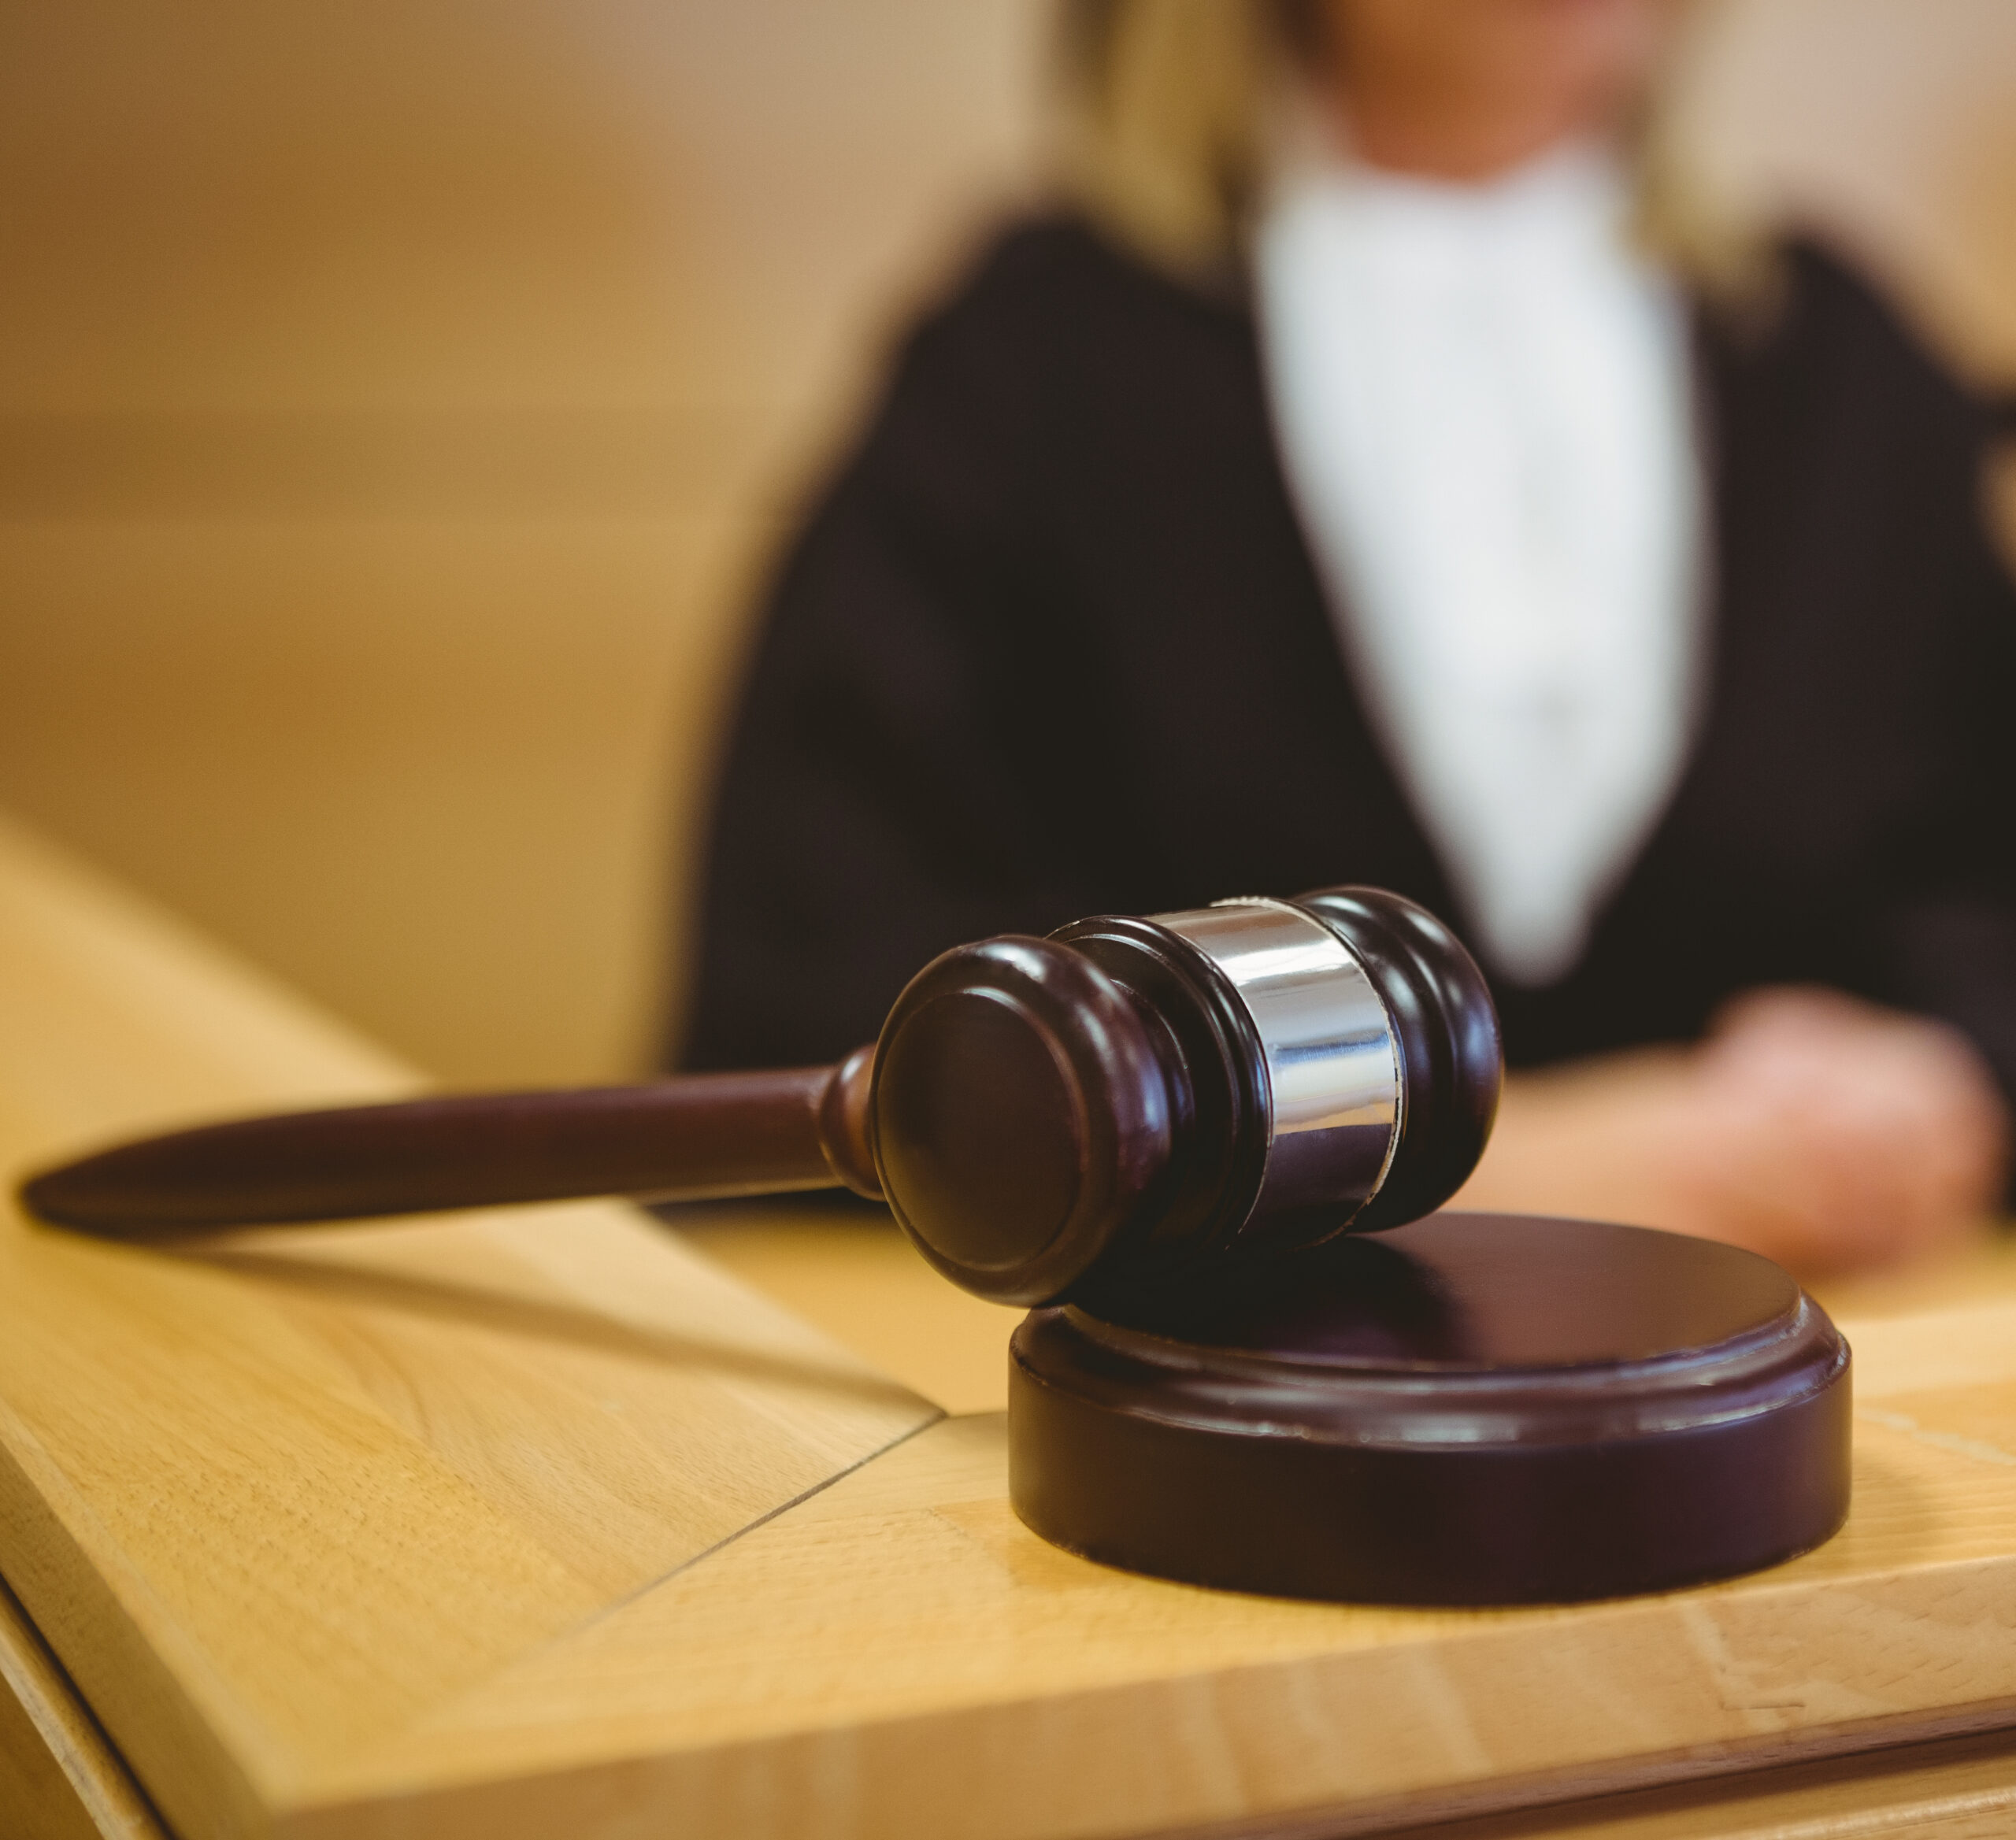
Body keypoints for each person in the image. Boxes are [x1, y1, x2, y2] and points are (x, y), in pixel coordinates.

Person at [679, 0, 2016, 1276]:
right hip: (1224, 1421)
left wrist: (1952, 1075)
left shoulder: (1836, 357)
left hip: (1808, 1379)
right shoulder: (1034, 363)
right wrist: (1518, 1162)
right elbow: (826, 990)